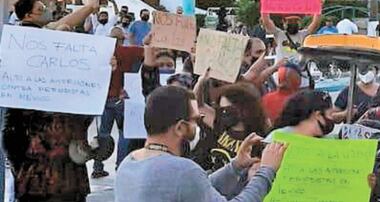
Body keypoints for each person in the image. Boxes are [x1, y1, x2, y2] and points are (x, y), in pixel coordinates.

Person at [3, 0, 108, 202]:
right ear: (28, 15)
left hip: (48, 177)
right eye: (42, 9)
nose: (48, 13)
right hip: (46, 175)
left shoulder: (37, 39)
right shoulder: (28, 40)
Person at [115, 85, 286, 202]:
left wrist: (235, 166)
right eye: (196, 120)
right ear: (180, 127)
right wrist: (266, 171)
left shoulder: (129, 163)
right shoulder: (182, 169)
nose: (200, 126)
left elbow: (197, 187)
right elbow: (191, 181)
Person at [92, 27, 145, 178]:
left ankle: (97, 166)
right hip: (121, 99)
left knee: (103, 134)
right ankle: (120, 167)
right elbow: (147, 52)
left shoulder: (101, 55)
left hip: (104, 99)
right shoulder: (128, 52)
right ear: (123, 39)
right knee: (123, 134)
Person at [192, 82, 270, 172]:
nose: (223, 113)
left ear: (245, 109)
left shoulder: (259, 140)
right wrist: (201, 82)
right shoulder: (220, 124)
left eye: (227, 109)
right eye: (221, 109)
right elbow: (198, 105)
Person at [273, 90, 342, 137]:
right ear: (318, 115)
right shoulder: (277, 139)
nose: (332, 118)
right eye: (330, 114)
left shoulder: (329, 140)